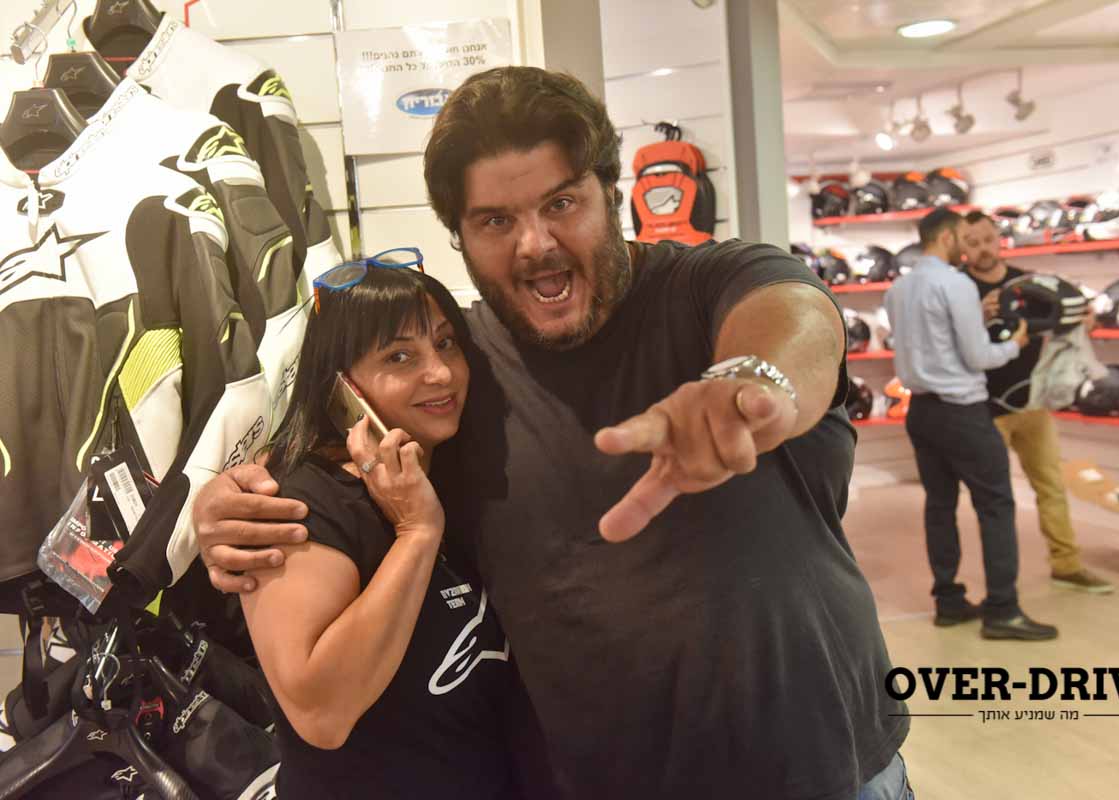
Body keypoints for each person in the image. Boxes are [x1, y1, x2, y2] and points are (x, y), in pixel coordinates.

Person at [192, 67, 913, 799]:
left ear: (612, 195)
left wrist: (749, 383)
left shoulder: (710, 287)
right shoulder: (462, 368)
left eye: (561, 203)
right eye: (495, 221)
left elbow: (796, 320)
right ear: (460, 238)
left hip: (816, 774)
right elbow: (336, 446)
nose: (535, 244)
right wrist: (235, 497)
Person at [239, 256, 520, 798]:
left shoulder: (452, 469)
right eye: (399, 356)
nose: (440, 373)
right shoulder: (300, 503)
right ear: (341, 386)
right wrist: (417, 534)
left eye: (445, 343)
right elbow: (321, 712)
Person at [884, 208, 1058, 641]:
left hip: (921, 412)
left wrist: (974, 314)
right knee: (996, 505)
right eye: (964, 237)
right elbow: (978, 356)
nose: (968, 246)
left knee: (939, 506)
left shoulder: (899, 288)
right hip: (962, 411)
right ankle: (1003, 609)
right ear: (946, 237)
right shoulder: (955, 282)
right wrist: (1016, 343)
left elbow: (930, 338)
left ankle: (948, 602)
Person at [959, 210, 1113, 594]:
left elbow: (1074, 320)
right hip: (986, 408)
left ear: (999, 238)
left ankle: (1067, 564)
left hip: (1033, 404)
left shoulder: (1028, 283)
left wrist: (1084, 320)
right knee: (996, 500)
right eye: (973, 243)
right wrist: (976, 316)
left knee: (1051, 486)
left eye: (987, 240)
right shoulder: (958, 288)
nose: (982, 249)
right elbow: (951, 344)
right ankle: (1002, 587)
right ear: (961, 246)